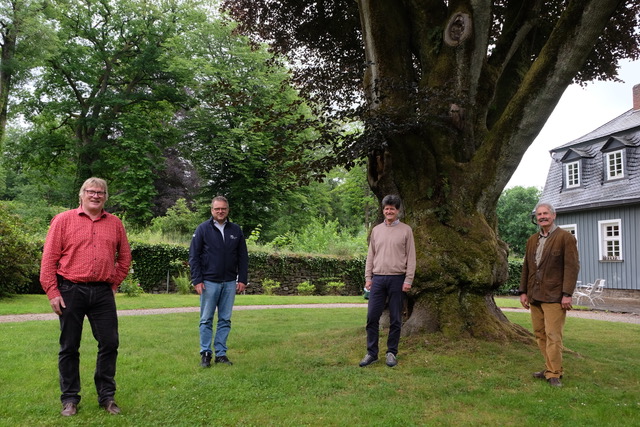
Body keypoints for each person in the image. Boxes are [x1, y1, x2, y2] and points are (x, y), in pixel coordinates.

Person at [40, 177, 132, 416]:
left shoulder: (115, 223)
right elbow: (49, 259)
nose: (96, 195)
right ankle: (70, 399)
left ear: (105, 197)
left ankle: (107, 397)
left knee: (110, 343)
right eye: (91, 191)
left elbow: (124, 258)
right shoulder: (63, 220)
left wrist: (114, 283)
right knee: (69, 346)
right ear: (81, 195)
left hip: (102, 292)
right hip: (70, 290)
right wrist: (52, 292)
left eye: (101, 192)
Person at [519, 202, 579, 387]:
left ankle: (554, 374)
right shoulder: (532, 240)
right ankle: (550, 368)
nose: (542, 217)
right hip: (535, 295)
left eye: (545, 213)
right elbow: (527, 267)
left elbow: (572, 267)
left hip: (554, 296)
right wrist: (523, 291)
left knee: (554, 335)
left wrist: (567, 293)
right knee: (540, 334)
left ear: (554, 216)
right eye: (539, 214)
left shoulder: (565, 238)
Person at [189, 196, 248, 368]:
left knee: (225, 319)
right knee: (206, 319)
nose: (220, 211)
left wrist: (242, 279)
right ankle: (206, 353)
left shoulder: (236, 230)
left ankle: (221, 354)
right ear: (211, 210)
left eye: (223, 208)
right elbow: (194, 257)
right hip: (209, 282)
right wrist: (197, 279)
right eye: (217, 209)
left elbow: (243, 257)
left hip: (229, 282)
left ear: (228, 210)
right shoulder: (202, 229)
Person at [360, 194, 416, 368]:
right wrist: (368, 277)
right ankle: (372, 353)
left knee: (395, 319)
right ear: (383, 210)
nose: (389, 211)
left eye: (392, 208)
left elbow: (411, 257)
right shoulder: (376, 230)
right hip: (377, 279)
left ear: (397, 210)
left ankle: (391, 352)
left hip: (397, 279)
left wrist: (408, 279)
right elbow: (371, 255)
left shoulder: (406, 230)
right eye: (386, 208)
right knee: (372, 317)